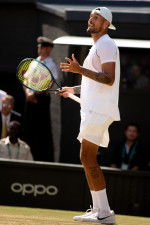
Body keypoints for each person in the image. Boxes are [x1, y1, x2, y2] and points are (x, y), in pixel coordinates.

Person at [58, 7, 120, 224]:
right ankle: (99, 210)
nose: (91, 20)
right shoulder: (98, 46)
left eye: (97, 18)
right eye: (91, 17)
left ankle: (104, 212)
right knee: (86, 156)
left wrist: (79, 70)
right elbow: (93, 81)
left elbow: (108, 78)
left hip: (99, 110)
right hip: (93, 108)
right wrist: (73, 89)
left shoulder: (106, 44)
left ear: (105, 24)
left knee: (86, 156)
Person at [23, 36, 58, 162]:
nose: (40, 49)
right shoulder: (34, 62)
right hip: (30, 99)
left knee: (41, 131)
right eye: (39, 46)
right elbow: (25, 79)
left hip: (41, 100)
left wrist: (36, 94)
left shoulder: (51, 64)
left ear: (49, 49)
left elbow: (50, 83)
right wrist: (28, 93)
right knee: (28, 128)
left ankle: (41, 158)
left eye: (43, 47)